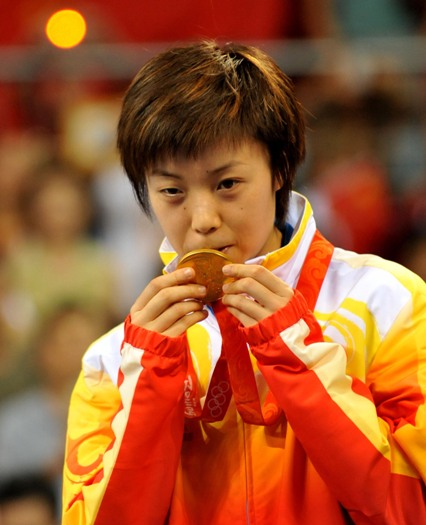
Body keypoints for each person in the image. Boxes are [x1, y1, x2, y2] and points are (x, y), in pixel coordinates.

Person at [62, 41, 426, 524]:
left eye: (227, 184)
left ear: (279, 169)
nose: (203, 219)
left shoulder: (388, 303)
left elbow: (408, 509)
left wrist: (296, 354)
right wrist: (149, 382)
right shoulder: (114, 359)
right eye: (172, 191)